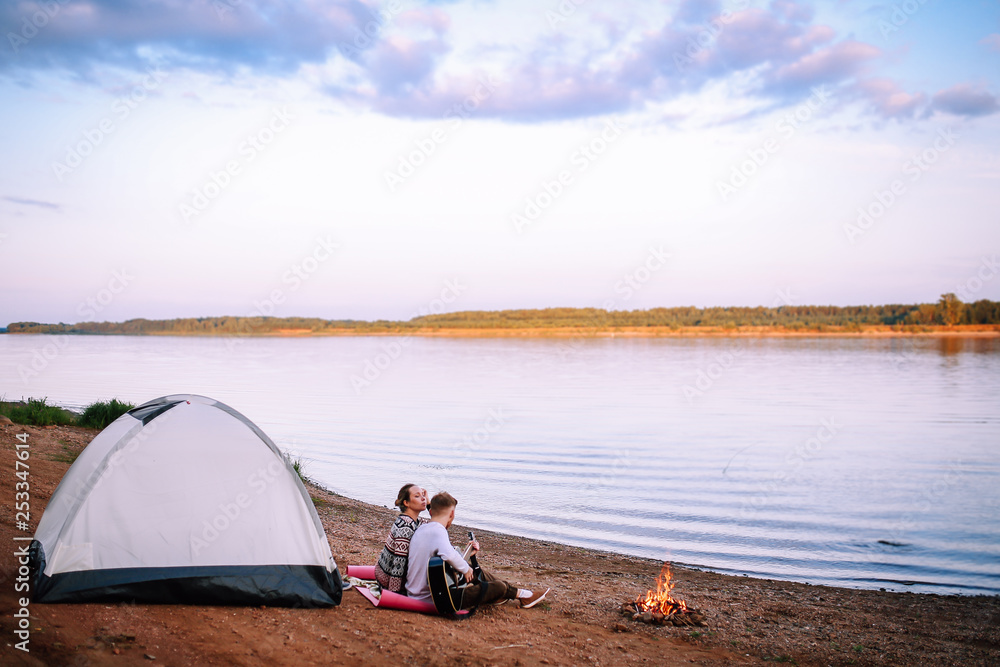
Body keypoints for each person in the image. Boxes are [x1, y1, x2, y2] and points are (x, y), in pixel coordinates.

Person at [406, 491, 549, 609]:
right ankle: (521, 595)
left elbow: (445, 560)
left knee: (475, 572)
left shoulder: (424, 528)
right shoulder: (438, 531)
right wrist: (466, 570)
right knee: (497, 585)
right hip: (435, 599)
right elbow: (448, 554)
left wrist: (469, 556)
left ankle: (523, 595)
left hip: (424, 591)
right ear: (452, 514)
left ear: (431, 512)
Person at [374, 483, 428, 594]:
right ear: (406, 503)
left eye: (423, 495)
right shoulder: (405, 526)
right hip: (387, 581)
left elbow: (438, 524)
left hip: (388, 576)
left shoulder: (416, 521)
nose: (423, 498)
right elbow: (399, 561)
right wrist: (394, 593)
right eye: (417, 496)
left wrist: (429, 502)